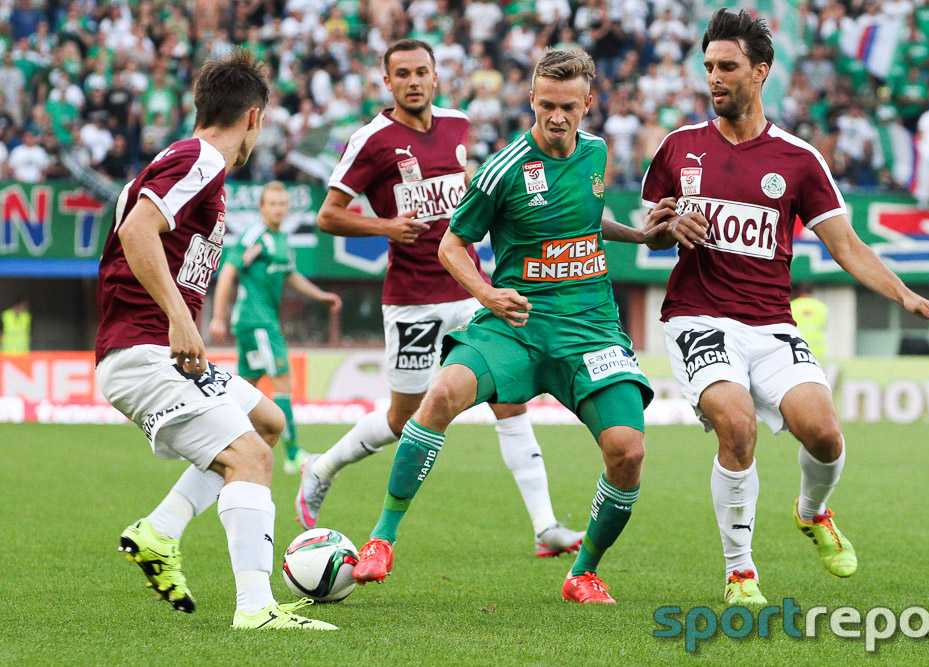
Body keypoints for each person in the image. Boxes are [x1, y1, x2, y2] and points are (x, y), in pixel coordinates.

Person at [641, 9, 929, 606]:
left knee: (826, 435)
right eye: (708, 66)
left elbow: (847, 246)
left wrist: (907, 296)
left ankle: (812, 512)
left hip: (770, 323)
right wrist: (664, 229)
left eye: (728, 67)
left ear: (761, 72)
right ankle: (740, 572)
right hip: (697, 316)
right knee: (736, 426)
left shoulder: (797, 159)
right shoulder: (678, 148)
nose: (714, 78)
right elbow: (653, 231)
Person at [350, 48, 655, 605]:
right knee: (439, 395)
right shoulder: (504, 168)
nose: (556, 117)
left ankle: (582, 573)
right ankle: (381, 540)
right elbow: (451, 244)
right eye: (545, 105)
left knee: (628, 452)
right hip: (515, 322)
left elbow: (584, 221)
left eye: (568, 107)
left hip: (590, 328)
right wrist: (486, 293)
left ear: (588, 105)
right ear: (531, 101)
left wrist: (641, 237)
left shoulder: (596, 153)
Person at [297, 39, 585, 558]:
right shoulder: (372, 140)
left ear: (436, 77)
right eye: (402, 73)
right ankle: (322, 467)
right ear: (387, 82)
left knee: (510, 400)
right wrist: (386, 225)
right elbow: (328, 215)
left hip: (472, 289)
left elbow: (466, 190)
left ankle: (545, 527)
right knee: (402, 419)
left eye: (421, 71)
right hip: (411, 299)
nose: (413, 81)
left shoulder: (457, 124)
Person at [94, 48, 334, 631]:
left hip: (155, 349)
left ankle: (159, 530)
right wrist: (180, 318)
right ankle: (255, 607)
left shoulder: (186, 162)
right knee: (249, 458)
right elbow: (135, 230)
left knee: (268, 425)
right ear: (254, 117)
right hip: (144, 351)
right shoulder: (200, 158)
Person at [209, 181, 342, 475]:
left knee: (246, 386)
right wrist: (217, 316)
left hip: (258, 322)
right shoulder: (256, 237)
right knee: (283, 382)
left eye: (283, 204)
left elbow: (291, 275)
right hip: (257, 322)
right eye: (273, 204)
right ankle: (293, 455)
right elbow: (229, 271)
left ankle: (218, 443)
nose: (279, 209)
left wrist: (321, 296)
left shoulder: (281, 240)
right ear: (262, 208)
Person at [789, 282, 828, 365]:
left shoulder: (793, 305)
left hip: (798, 346)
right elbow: (822, 325)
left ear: (799, 292)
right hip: (818, 348)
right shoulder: (821, 307)